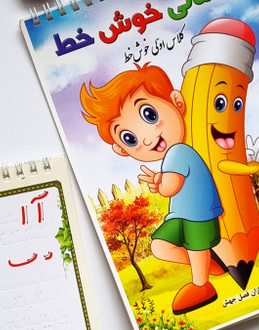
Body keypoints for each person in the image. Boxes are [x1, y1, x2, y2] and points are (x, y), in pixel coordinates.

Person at [80, 63, 222, 313]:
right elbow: (171, 183)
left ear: (177, 102)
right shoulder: (172, 157)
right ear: (121, 149)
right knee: (159, 245)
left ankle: (202, 286)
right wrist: (160, 180)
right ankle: (209, 262)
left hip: (199, 215)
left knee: (194, 246)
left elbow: (170, 187)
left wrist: (160, 182)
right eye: (130, 138)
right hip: (182, 215)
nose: (146, 138)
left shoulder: (178, 152)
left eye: (150, 115)